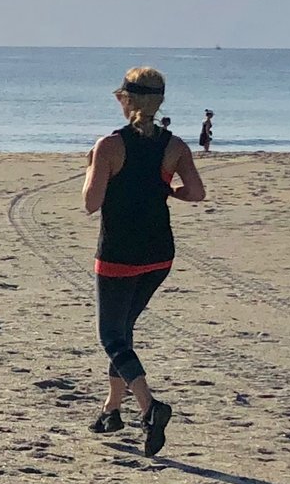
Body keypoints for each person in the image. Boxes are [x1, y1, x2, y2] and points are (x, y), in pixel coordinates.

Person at [81, 66, 205, 455]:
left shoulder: (110, 146)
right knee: (125, 332)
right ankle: (111, 410)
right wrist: (165, 191)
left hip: (119, 253)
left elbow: (90, 203)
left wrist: (91, 167)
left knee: (111, 337)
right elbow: (197, 193)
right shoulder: (175, 146)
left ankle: (150, 408)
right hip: (158, 254)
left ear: (126, 100)